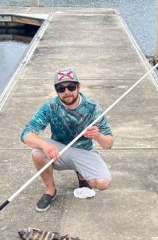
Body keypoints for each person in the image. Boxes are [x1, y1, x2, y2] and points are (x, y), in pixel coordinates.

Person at [20, 67, 113, 212]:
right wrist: (45, 145)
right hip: (59, 152)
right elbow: (26, 134)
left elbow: (109, 144)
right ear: (56, 90)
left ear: (78, 86)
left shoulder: (93, 108)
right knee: (37, 152)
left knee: (102, 184)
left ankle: (81, 174)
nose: (67, 92)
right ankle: (50, 190)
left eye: (71, 87)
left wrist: (98, 136)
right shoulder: (50, 106)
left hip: (84, 151)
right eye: (61, 89)